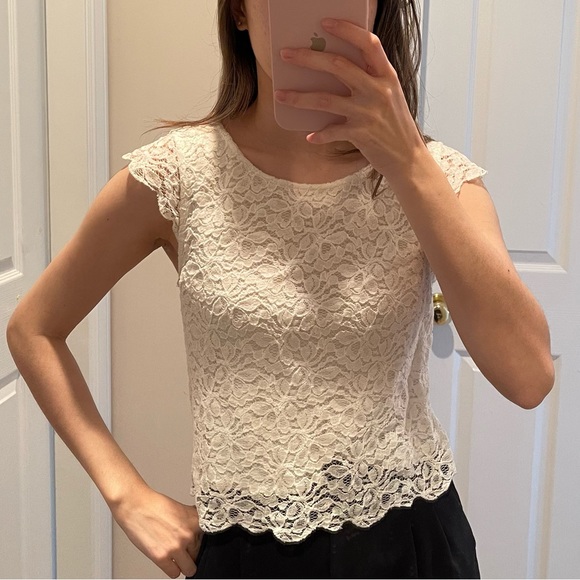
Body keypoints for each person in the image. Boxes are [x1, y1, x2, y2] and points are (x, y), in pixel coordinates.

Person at [6, 0, 554, 578]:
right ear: (240, 11)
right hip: (244, 551)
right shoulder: (179, 175)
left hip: (411, 543)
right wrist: (125, 494)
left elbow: (528, 378)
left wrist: (408, 163)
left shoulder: (438, 176)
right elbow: (34, 329)